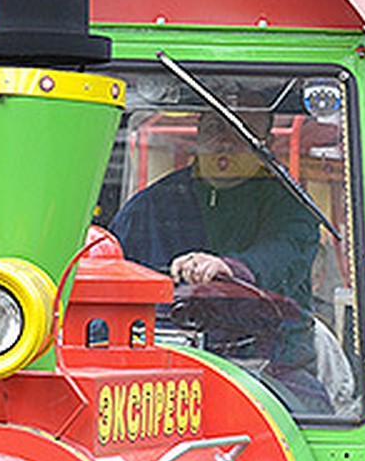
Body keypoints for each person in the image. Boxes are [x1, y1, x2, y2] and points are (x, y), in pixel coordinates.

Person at [110, 102, 329, 409]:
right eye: (215, 128)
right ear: (198, 133)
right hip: (157, 372)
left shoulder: (291, 207)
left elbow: (284, 256)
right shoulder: (148, 208)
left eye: (243, 132)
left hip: (271, 369)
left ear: (265, 142)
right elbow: (111, 278)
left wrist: (230, 268)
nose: (226, 141)